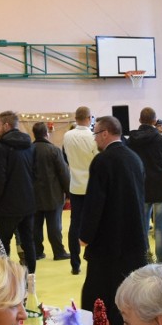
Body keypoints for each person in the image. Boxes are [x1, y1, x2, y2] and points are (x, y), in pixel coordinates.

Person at [79, 115, 146, 325]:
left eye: (96, 134)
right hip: (134, 237)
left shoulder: (102, 161)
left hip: (108, 240)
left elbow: (94, 202)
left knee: (98, 291)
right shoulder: (135, 158)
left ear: (105, 133)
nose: (95, 139)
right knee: (128, 290)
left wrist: (85, 235)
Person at [0, 110, 37, 273]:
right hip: (28, 202)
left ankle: (4, 276)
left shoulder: (2, 147)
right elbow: (35, 173)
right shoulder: (29, 145)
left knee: (2, 242)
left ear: (6, 125)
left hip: (8, 204)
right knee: (28, 241)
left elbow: (0, 179)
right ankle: (30, 276)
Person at [127, 107, 162, 263]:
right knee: (161, 228)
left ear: (140, 120)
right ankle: (161, 261)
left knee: (143, 227)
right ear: (155, 121)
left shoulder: (131, 140)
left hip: (141, 187)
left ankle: (145, 259)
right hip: (161, 185)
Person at [63, 106, 98, 275]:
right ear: (89, 118)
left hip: (75, 185)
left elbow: (66, 157)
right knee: (95, 222)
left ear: (76, 118)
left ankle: (75, 263)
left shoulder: (67, 136)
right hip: (92, 185)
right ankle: (93, 259)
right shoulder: (93, 137)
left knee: (75, 224)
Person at [31, 121, 71, 261]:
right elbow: (63, 172)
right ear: (46, 133)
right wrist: (68, 192)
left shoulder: (29, 150)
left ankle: (37, 252)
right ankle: (58, 252)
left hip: (34, 195)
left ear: (34, 134)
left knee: (36, 226)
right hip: (53, 194)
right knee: (54, 225)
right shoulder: (54, 150)